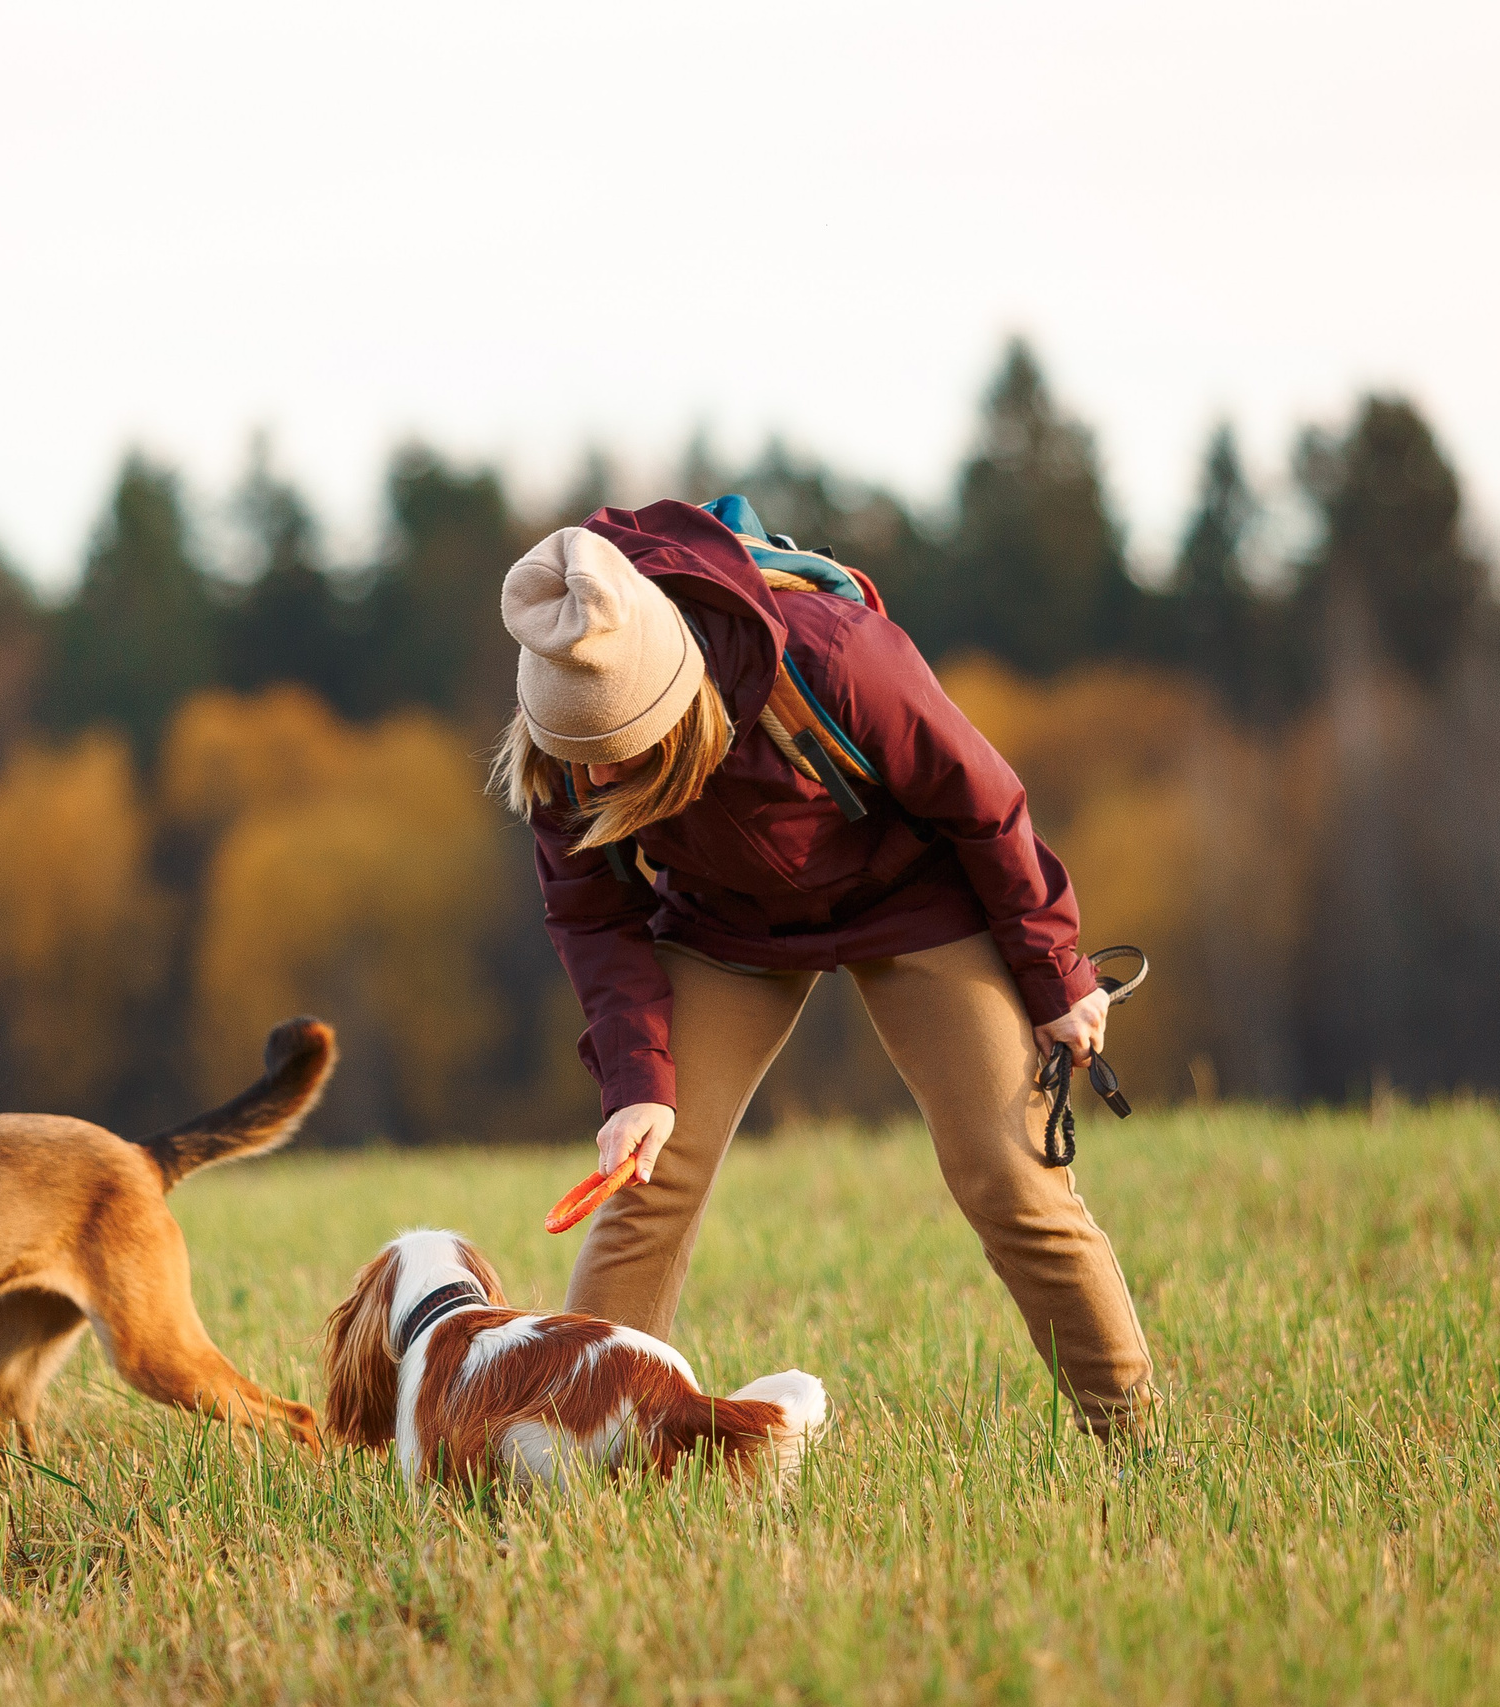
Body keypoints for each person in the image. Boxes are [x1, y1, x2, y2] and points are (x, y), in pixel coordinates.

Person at [492, 497, 1154, 1439]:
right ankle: (588, 1449)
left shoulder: (836, 657)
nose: (593, 781)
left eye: (618, 759)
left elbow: (985, 803)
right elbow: (592, 916)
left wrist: (1055, 977)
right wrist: (637, 1082)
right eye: (577, 758)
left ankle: (1132, 1437)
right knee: (648, 1176)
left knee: (1010, 1176)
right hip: (725, 924)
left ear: (676, 710)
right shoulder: (565, 738)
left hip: (913, 895)